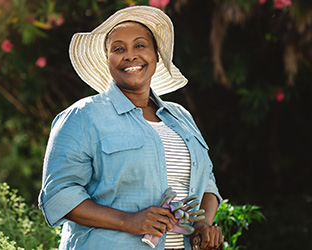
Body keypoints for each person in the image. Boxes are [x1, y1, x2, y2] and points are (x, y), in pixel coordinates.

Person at [38, 5, 223, 250]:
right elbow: (59, 195)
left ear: (157, 55)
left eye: (140, 45)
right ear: (108, 60)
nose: (130, 55)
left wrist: (203, 226)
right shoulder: (82, 117)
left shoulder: (181, 117)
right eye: (118, 49)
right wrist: (128, 221)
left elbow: (207, 184)